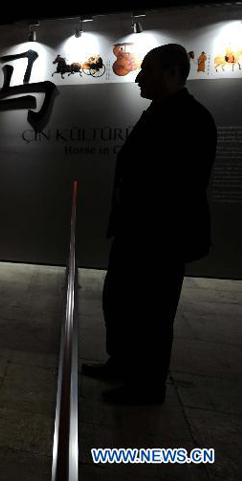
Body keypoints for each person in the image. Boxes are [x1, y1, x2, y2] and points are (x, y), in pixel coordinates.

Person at [82, 43, 217, 404]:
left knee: (154, 313)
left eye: (148, 70)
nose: (138, 77)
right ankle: (122, 363)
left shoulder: (192, 118)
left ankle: (147, 384)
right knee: (120, 301)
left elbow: (182, 185)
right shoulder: (159, 112)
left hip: (161, 237)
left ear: (172, 73)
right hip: (135, 231)